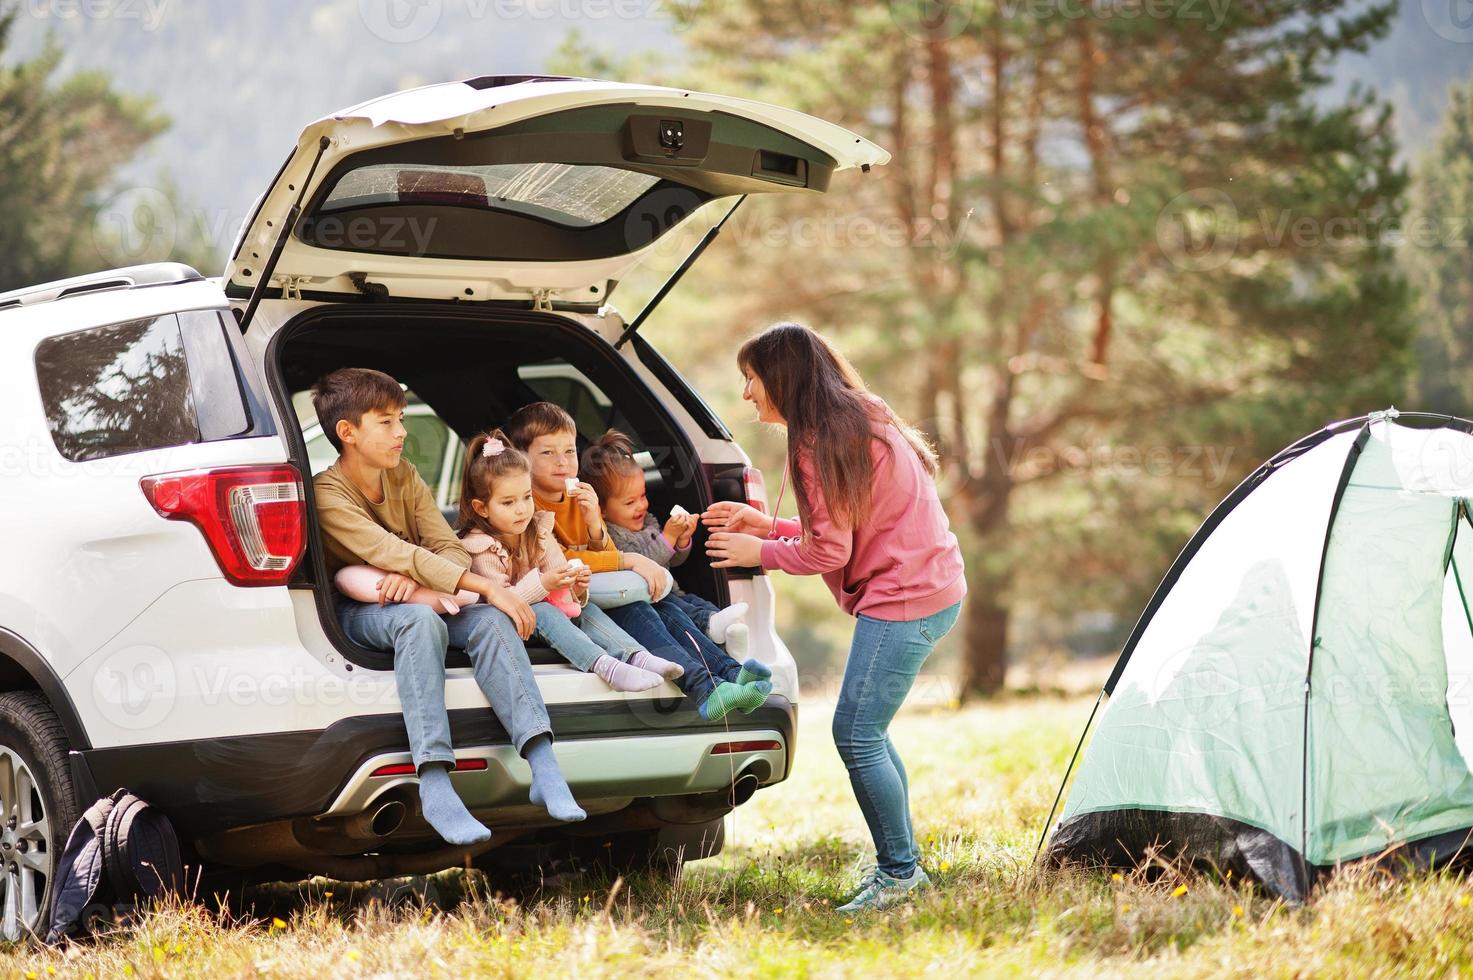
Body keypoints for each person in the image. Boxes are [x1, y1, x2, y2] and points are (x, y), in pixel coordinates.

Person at [703, 323, 966, 913]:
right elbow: (844, 528)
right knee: (868, 732)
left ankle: (900, 875)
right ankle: (904, 865)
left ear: (781, 379)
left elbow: (829, 552)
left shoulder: (819, 442)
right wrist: (768, 526)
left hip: (905, 597)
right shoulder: (859, 414)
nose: (747, 393)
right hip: (934, 586)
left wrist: (757, 553)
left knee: (854, 732)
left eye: (751, 378)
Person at [311, 368, 586, 847]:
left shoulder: (404, 475)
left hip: (427, 593)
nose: (402, 432)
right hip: (361, 608)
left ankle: (544, 764)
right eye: (387, 422)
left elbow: (449, 545)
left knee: (491, 622)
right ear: (347, 433)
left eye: (401, 418)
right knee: (419, 620)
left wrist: (421, 577)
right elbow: (388, 550)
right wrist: (475, 584)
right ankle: (435, 782)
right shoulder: (327, 493)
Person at [503, 401, 772, 721]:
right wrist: (631, 560)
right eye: (548, 453)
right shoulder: (524, 505)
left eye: (570, 451)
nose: (562, 462)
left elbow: (602, 553)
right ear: (521, 458)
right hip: (568, 599)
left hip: (595, 587)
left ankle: (729, 675)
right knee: (644, 602)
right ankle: (706, 688)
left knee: (664, 606)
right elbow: (558, 561)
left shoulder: (580, 498)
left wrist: (592, 522)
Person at [453, 427, 686, 693]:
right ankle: (605, 666)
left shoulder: (538, 529)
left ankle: (637, 656)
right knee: (543, 609)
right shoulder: (480, 546)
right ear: (481, 508)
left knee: (585, 609)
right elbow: (505, 600)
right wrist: (545, 584)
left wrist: (575, 586)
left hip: (541, 609)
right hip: (509, 622)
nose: (521, 509)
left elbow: (558, 573)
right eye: (508, 503)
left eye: (527, 497)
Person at [582, 428, 751, 656]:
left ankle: (730, 640)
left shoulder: (648, 521)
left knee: (703, 606)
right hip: (655, 600)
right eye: (630, 502)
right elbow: (644, 565)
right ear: (601, 509)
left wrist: (681, 540)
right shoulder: (610, 536)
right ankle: (716, 633)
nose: (641, 506)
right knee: (691, 615)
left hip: (673, 592)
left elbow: (673, 560)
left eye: (643, 496)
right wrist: (668, 537)